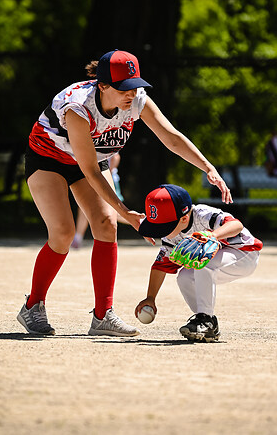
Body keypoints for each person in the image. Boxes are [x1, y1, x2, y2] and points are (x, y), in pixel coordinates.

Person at [17, 49, 232, 337]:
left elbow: (171, 137)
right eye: (123, 89)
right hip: (49, 158)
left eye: (135, 86)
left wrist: (208, 168)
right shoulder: (78, 107)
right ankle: (33, 306)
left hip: (90, 159)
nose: (131, 94)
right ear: (102, 85)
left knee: (106, 225)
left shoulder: (137, 100)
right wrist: (127, 213)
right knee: (64, 232)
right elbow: (91, 171)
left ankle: (103, 316)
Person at [135, 184, 262, 342]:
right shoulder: (171, 235)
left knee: (203, 262)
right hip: (217, 260)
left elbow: (237, 225)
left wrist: (213, 235)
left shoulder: (204, 215)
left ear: (184, 218)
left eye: (163, 227)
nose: (160, 233)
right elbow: (160, 267)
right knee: (184, 277)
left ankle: (205, 319)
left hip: (244, 254)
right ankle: (205, 321)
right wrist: (150, 298)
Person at [71, 153, 128, 249]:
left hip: (105, 179)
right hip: (95, 177)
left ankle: (142, 222)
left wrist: (104, 176)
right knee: (83, 208)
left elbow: (115, 157)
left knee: (114, 212)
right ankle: (78, 238)